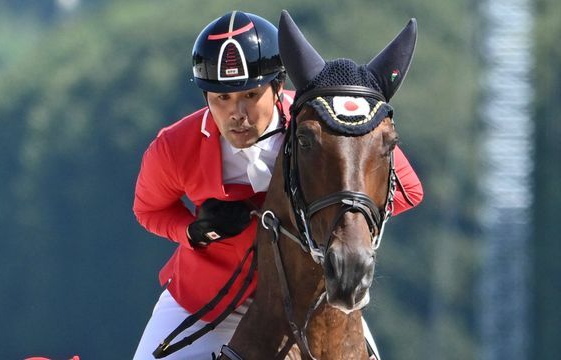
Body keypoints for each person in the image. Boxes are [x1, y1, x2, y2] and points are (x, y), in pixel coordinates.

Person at [132, 11, 423, 360]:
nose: (236, 113)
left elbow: (406, 190)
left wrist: (338, 218)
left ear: (277, 86)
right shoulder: (174, 147)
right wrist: (192, 230)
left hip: (309, 301)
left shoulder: (319, 125)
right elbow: (148, 210)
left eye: (250, 95)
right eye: (221, 98)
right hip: (208, 302)